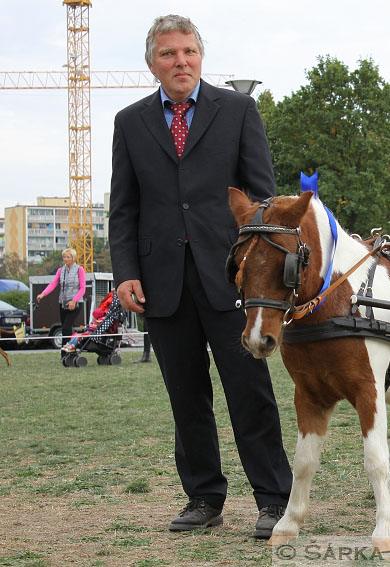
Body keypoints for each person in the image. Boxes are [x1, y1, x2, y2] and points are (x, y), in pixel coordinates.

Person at [108, 14, 292, 539]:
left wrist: (261, 272)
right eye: (168, 54)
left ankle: (273, 499)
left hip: (232, 279)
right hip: (161, 285)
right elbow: (123, 209)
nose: (180, 61)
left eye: (188, 51)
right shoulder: (129, 122)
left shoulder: (237, 111)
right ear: (152, 64)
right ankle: (204, 498)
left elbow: (262, 201)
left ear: (201, 57)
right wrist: (125, 273)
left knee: (249, 391)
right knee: (186, 397)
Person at [37, 248, 86, 349]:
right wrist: (43, 294)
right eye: (64, 257)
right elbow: (54, 283)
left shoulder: (79, 269)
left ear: (73, 258)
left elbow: (82, 289)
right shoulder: (61, 270)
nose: (66, 259)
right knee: (65, 327)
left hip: (75, 303)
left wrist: (74, 300)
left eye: (68, 257)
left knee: (66, 327)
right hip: (63, 302)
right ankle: (68, 349)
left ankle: (67, 349)